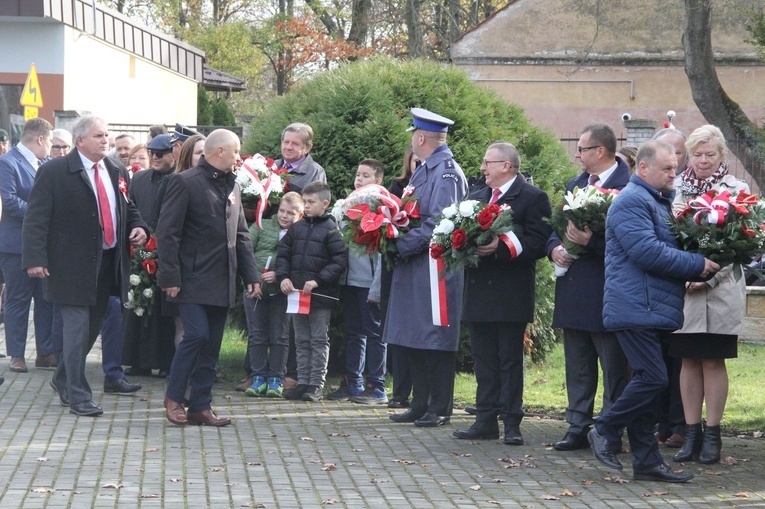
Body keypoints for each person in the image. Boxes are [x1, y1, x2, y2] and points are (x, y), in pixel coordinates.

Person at [589, 140, 720, 483]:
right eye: (666, 168)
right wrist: (697, 264)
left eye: (675, 168)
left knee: (647, 388)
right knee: (654, 379)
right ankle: (604, 428)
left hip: (651, 307)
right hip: (635, 308)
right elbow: (648, 253)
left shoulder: (656, 201)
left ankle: (647, 462)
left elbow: (662, 248)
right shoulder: (632, 201)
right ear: (642, 168)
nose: (673, 174)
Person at [23, 115, 149, 417]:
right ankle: (79, 396)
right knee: (77, 329)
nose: (105, 140)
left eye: (106, 135)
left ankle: (63, 378)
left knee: (90, 329)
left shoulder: (116, 169)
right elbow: (36, 217)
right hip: (69, 265)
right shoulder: (55, 171)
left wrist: (139, 226)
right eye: (98, 136)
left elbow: (127, 207)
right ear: (80, 140)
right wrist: (35, 259)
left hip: (107, 263)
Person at [157, 129, 259, 427]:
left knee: (212, 344)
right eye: (236, 151)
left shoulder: (233, 186)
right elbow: (167, 232)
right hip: (189, 279)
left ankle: (201, 406)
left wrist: (250, 274)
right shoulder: (184, 182)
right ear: (219, 153)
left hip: (222, 278)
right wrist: (170, 276)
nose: (240, 157)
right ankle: (175, 397)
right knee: (197, 335)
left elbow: (240, 235)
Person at [453, 142, 551, 444]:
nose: (482, 168)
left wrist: (503, 246)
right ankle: (485, 419)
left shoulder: (532, 197)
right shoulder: (476, 196)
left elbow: (538, 241)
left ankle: (511, 422)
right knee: (483, 358)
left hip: (510, 290)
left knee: (509, 358)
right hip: (480, 288)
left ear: (506, 166)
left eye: (487, 162)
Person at [548, 124, 629, 452]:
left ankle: (609, 429)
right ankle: (577, 425)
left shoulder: (625, 187)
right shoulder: (576, 183)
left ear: (600, 151)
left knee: (612, 367)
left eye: (582, 149)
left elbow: (630, 241)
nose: (577, 154)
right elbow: (555, 224)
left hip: (606, 290)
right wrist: (554, 248)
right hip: (574, 290)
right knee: (578, 363)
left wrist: (591, 243)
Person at [670, 125, 748, 465]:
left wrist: (708, 278)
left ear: (722, 156)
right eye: (698, 154)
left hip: (720, 290)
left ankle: (713, 435)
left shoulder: (738, 190)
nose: (703, 161)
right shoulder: (674, 189)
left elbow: (743, 245)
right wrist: (686, 274)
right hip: (683, 290)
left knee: (713, 361)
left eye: (710, 155)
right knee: (687, 361)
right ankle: (691, 434)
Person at [387, 108, 467, 428]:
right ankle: (420, 403)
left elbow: (439, 222)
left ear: (420, 137)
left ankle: (440, 407)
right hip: (416, 265)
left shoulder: (446, 172)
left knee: (435, 336)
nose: (412, 140)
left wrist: (400, 245)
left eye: (412, 135)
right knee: (414, 334)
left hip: (435, 267)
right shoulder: (424, 170)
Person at [276, 182, 347, 402]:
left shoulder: (332, 229)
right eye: (304, 202)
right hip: (297, 295)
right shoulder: (297, 228)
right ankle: (303, 382)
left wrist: (318, 280)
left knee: (318, 340)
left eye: (310, 202)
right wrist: (284, 277)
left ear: (325, 204)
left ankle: (316, 384)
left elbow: (339, 261)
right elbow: (283, 255)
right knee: (301, 339)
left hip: (319, 296)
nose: (306, 206)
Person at [0, 118, 56, 373]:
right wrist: (43, 213)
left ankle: (45, 352)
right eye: (51, 141)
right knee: (18, 298)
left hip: (44, 245)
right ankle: (17, 354)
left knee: (46, 299)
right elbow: (9, 201)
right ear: (41, 139)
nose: (53, 146)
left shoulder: (45, 163)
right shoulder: (8, 162)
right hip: (16, 245)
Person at [328, 159, 386, 405]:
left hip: (368, 281)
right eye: (358, 175)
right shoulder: (348, 206)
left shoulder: (381, 209)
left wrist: (377, 283)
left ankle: (377, 386)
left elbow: (383, 249)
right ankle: (354, 382)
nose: (359, 180)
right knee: (354, 332)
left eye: (366, 176)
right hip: (349, 280)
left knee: (374, 333)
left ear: (378, 181)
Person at [122, 134, 177, 377]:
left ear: (173, 155)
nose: (155, 157)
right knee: (139, 303)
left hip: (167, 249)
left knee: (164, 308)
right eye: (152, 152)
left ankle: (166, 361)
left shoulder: (178, 180)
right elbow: (131, 208)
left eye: (161, 153)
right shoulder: (140, 178)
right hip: (141, 248)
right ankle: (139, 360)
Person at [651, 127, 690, 449]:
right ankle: (660, 421)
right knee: (659, 361)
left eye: (676, 153)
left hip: (692, 288)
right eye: (666, 153)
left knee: (681, 361)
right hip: (659, 290)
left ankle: (680, 424)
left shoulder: (686, 189)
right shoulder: (653, 192)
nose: (672, 160)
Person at [244, 192, 304, 398]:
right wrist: (251, 281)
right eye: (282, 211)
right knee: (257, 335)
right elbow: (245, 252)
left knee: (280, 336)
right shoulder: (262, 226)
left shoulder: (300, 233)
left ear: (300, 216)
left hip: (281, 293)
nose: (284, 216)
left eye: (290, 213)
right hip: (255, 290)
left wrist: (279, 276)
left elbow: (300, 264)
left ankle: (276, 378)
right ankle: (258, 376)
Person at [384, 147, 416, 409]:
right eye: (416, 160)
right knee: (398, 331)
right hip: (396, 265)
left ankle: (420, 392)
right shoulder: (397, 187)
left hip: (420, 262)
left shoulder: (435, 187)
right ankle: (400, 390)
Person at [275, 123, 326, 194]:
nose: (288, 147)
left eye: (295, 144)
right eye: (286, 142)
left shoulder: (315, 172)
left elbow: (316, 203)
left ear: (308, 148)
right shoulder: (270, 167)